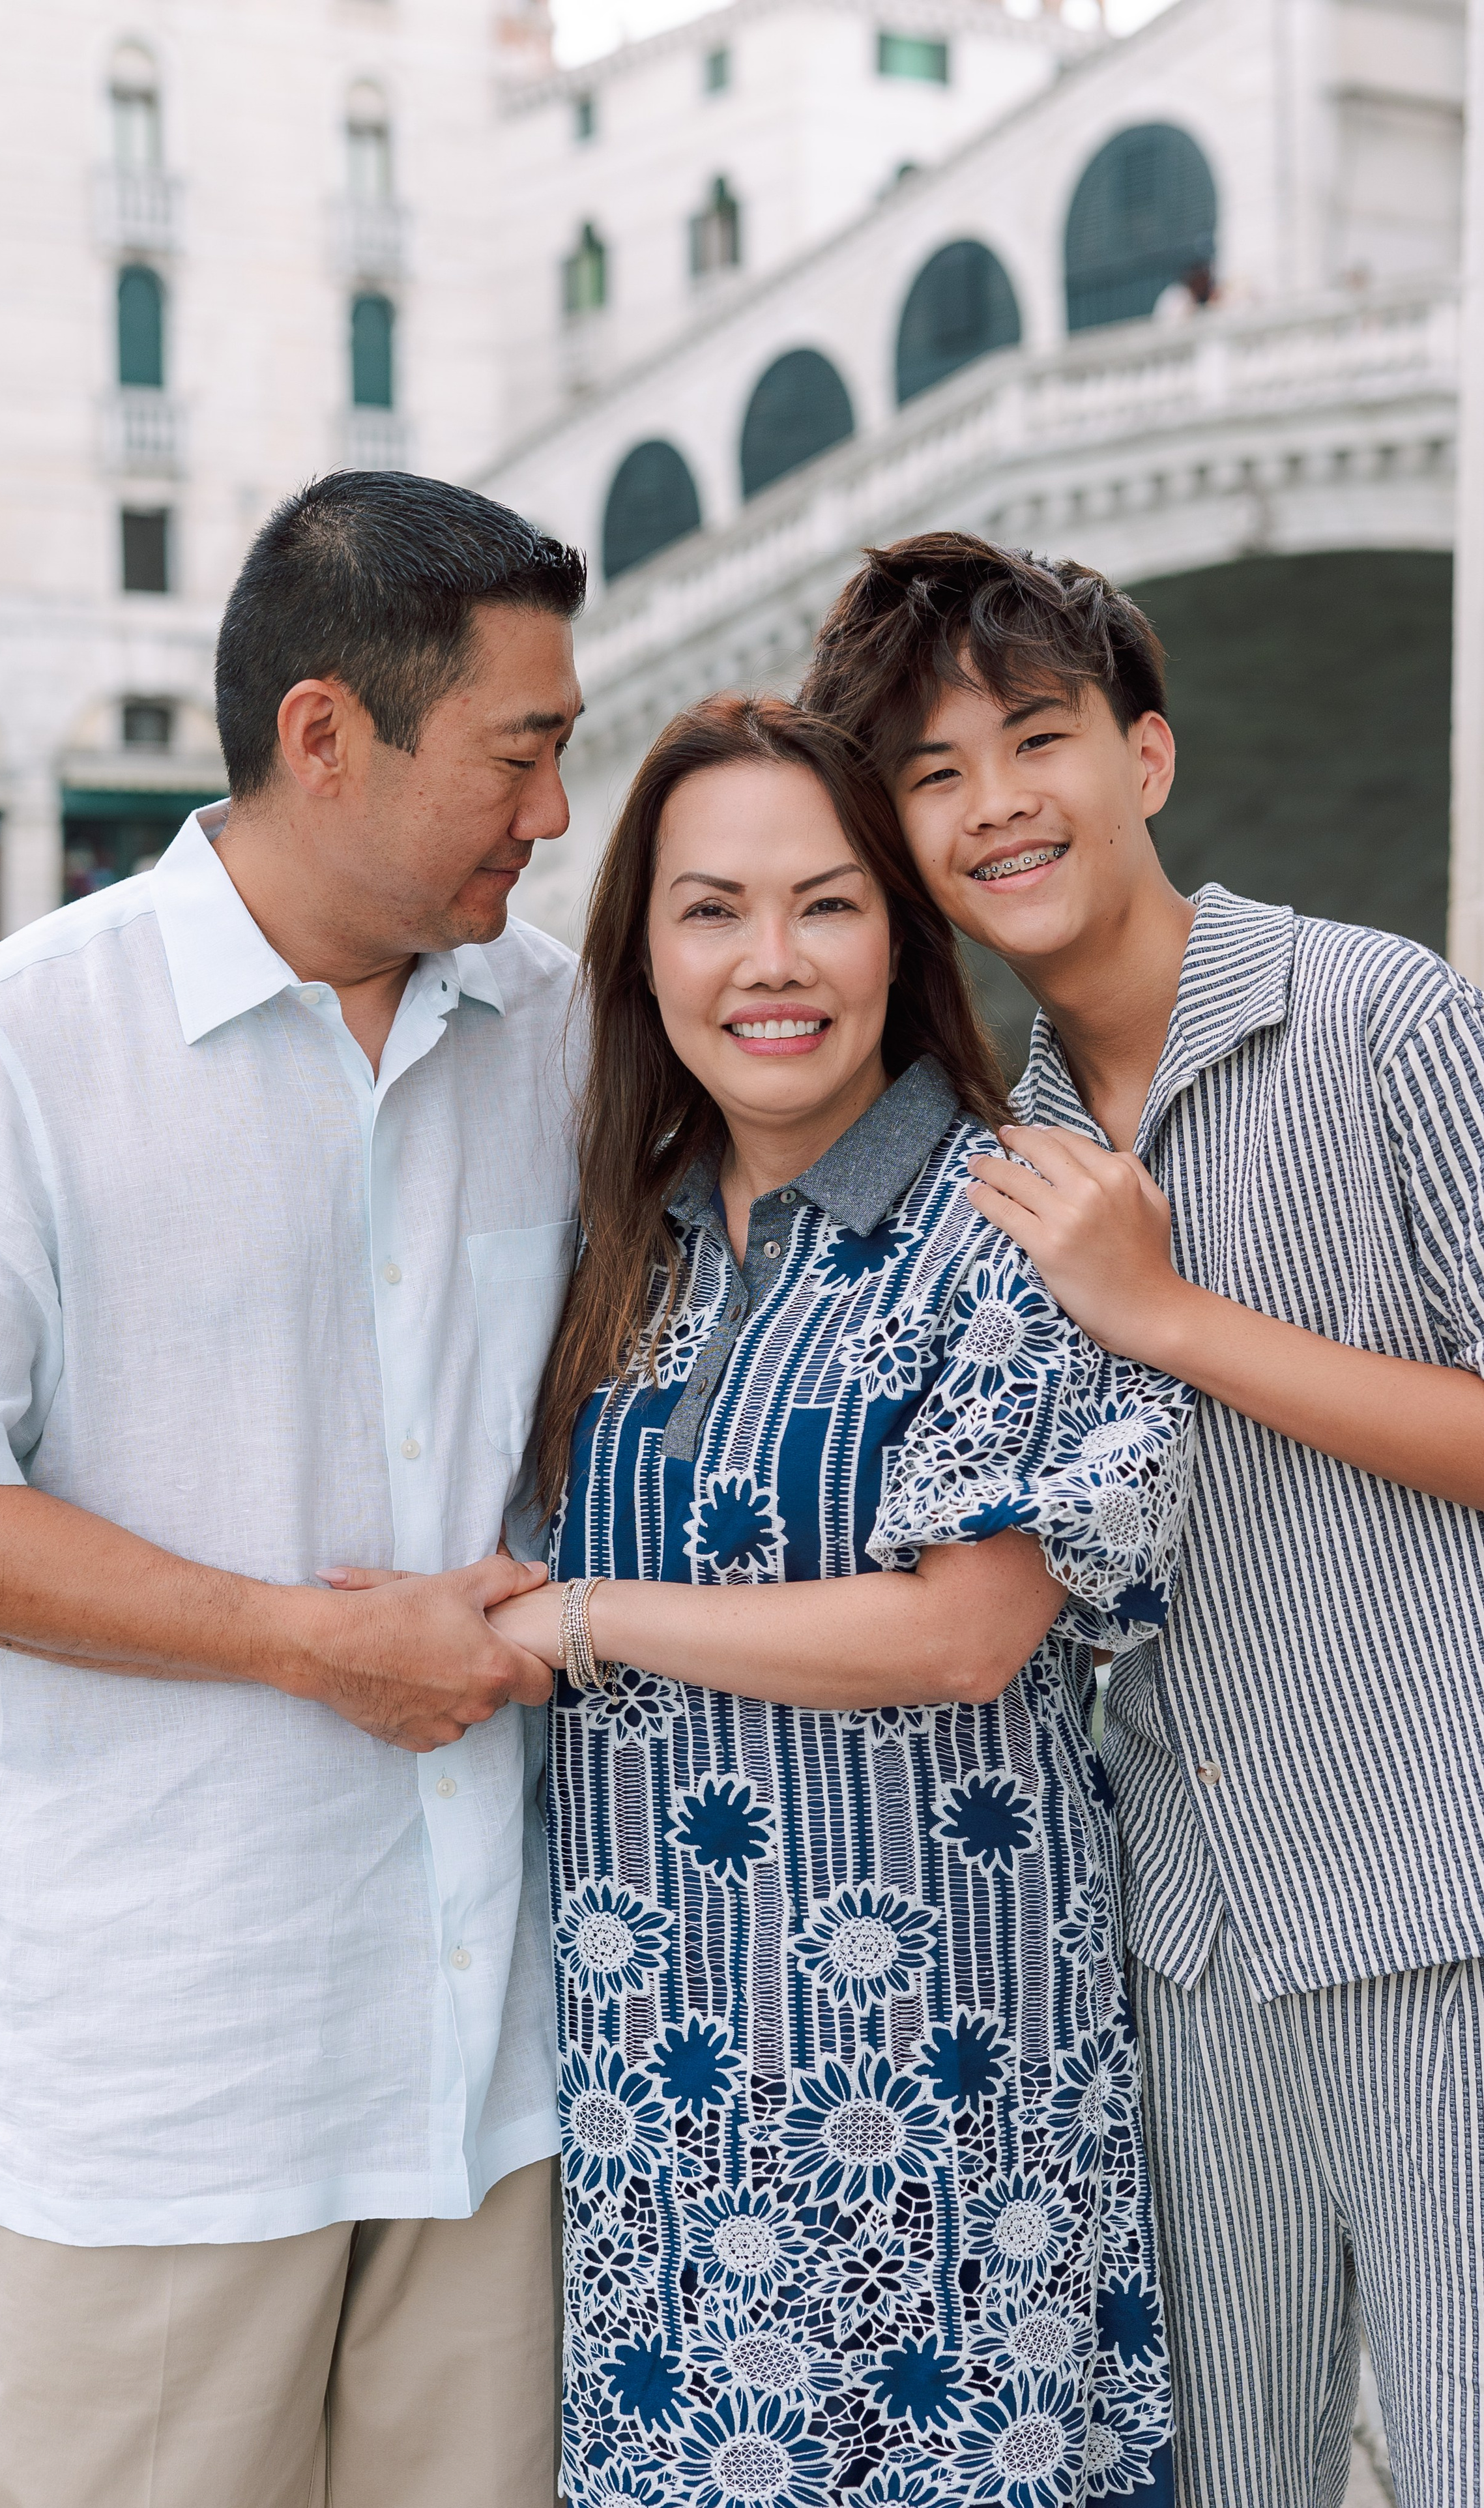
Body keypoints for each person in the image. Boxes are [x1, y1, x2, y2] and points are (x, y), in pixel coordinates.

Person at [0, 472, 588, 2508]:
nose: (558, 814)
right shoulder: (6, 1047)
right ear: (327, 734)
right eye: (525, 752)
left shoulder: (564, 1033)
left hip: (496, 2072)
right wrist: (317, 1647)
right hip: (175, 2074)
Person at [802, 531, 1484, 2508]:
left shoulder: (1385, 1021)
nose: (998, 803)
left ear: (1148, 758)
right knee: (1217, 2475)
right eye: (933, 775)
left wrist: (1165, 1315)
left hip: (1445, 1906)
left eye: (1038, 738)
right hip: (1184, 1934)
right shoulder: (994, 1151)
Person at [487, 693, 1195, 2507]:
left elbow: (968, 1631)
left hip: (950, 2079)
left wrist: (578, 1620)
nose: (771, 964)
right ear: (642, 953)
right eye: (711, 909)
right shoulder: (608, 1238)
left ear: (904, 928)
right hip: (660, 2091)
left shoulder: (1013, 1214)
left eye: (827, 904)